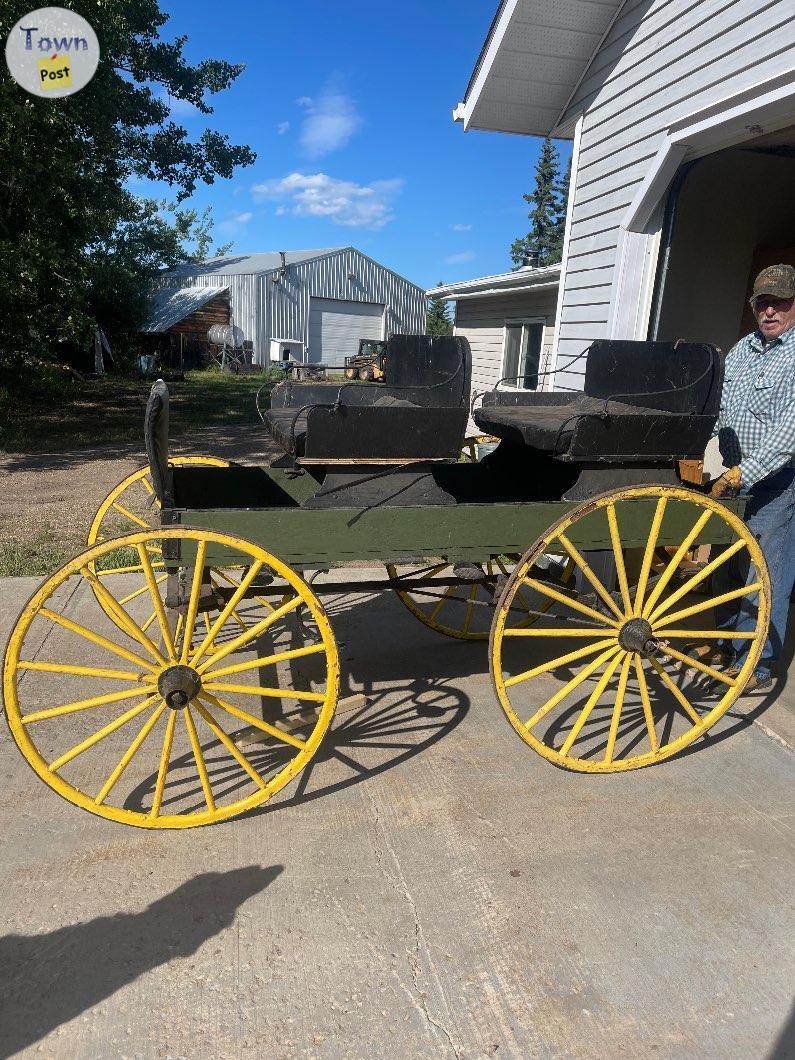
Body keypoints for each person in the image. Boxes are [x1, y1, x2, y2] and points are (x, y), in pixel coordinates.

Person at [706, 264, 795, 690]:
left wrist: (745, 472)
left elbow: (789, 433)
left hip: (777, 481)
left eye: (780, 301)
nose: (771, 311)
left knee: (762, 574)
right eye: (763, 302)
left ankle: (756, 663)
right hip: (735, 476)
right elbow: (720, 408)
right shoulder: (744, 349)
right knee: (724, 563)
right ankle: (725, 643)